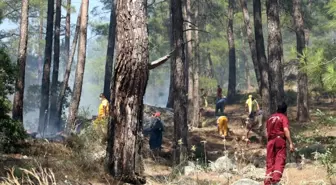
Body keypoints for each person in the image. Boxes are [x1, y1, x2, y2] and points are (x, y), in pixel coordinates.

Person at [264, 102, 294, 185]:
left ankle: (267, 181)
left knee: (270, 161)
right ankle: (275, 181)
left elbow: (267, 131)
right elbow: (285, 129)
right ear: (285, 111)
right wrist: (290, 143)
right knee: (279, 159)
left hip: (270, 141)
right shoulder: (283, 117)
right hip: (279, 140)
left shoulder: (270, 118)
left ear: (277, 109)